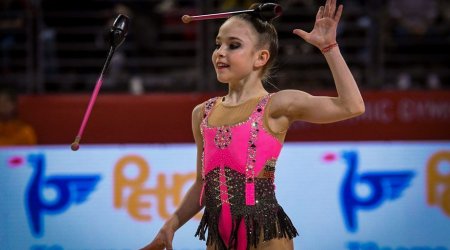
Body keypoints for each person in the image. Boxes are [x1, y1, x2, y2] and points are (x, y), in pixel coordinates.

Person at [141, 0, 364, 249]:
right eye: (218, 44)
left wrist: (329, 47)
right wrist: (169, 226)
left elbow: (352, 106)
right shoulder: (202, 113)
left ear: (261, 57)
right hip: (218, 237)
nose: (220, 52)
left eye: (233, 45)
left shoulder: (278, 104)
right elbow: (202, 184)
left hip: (266, 234)